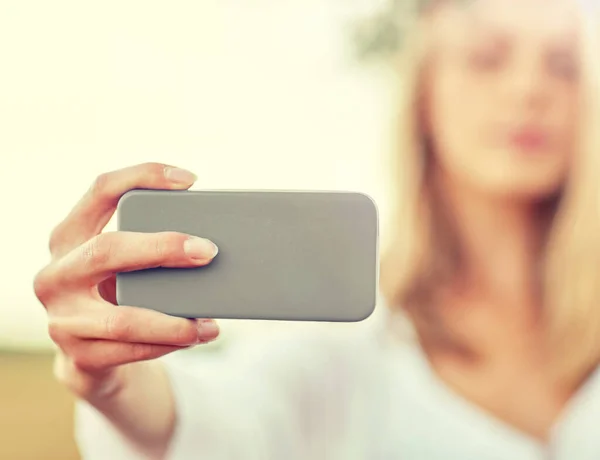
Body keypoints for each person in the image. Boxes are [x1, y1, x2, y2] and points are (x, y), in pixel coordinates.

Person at [33, 0, 600, 458]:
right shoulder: (343, 351)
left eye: (565, 64)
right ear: (425, 95)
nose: (530, 88)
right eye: (487, 57)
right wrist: (107, 378)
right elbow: (207, 422)